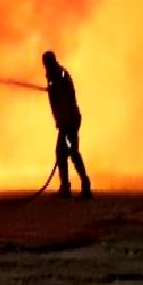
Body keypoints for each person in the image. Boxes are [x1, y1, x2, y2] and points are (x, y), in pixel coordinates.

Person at [42, 50, 91, 198]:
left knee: (72, 152)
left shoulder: (61, 75)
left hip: (69, 122)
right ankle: (66, 187)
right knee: (62, 153)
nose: (45, 67)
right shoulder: (54, 77)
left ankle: (83, 185)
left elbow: (66, 99)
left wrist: (64, 123)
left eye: (46, 63)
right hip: (66, 122)